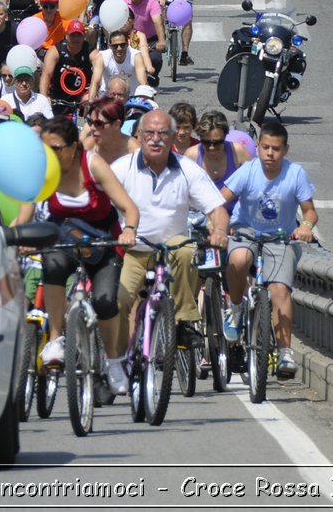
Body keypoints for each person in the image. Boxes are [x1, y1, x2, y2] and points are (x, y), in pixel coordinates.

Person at [15, 117, 138, 389]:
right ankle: (56, 339)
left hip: (102, 240)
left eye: (55, 148)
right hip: (64, 238)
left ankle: (113, 360)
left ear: (73, 147)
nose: (49, 154)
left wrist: (128, 230)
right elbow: (24, 214)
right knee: (53, 264)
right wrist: (14, 235)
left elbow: (129, 208)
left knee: (105, 301)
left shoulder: (93, 165)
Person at [106, 109, 229, 382]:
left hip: (170, 251)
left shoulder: (188, 170)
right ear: (138, 136)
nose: (155, 139)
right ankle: (114, 362)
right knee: (119, 302)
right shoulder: (121, 169)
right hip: (134, 252)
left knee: (186, 248)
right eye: (149, 132)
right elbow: (99, 201)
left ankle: (184, 321)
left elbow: (217, 209)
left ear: (173, 137)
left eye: (163, 133)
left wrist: (219, 230)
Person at [218, 121, 316, 380]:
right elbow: (221, 200)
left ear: (285, 150)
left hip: (280, 237)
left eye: (276, 148)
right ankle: (236, 308)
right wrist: (219, 226)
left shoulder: (296, 174)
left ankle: (284, 351)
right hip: (245, 232)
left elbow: (309, 211)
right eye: (265, 147)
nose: (270, 153)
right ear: (258, 147)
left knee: (280, 290)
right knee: (238, 259)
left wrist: (305, 226)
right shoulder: (248, 171)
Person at [40, 20, 95, 114]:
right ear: (66, 35)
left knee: (91, 102)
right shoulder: (56, 51)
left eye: (79, 35)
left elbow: (98, 74)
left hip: (82, 94)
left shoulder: (91, 51)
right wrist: (44, 98)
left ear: (84, 36)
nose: (76, 38)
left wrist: (91, 97)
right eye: (72, 35)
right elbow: (46, 74)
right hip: (59, 94)